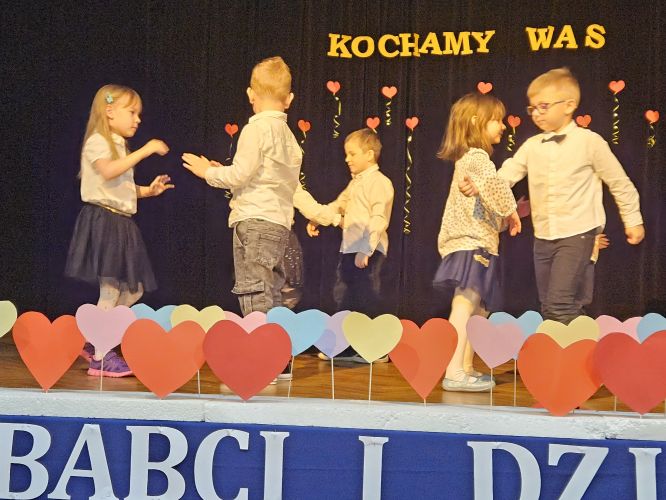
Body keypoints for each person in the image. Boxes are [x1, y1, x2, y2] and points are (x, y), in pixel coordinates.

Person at [460, 68, 645, 324]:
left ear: (569, 105)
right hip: (544, 236)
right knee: (550, 306)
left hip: (578, 233)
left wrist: (633, 220)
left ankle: (573, 349)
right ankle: (578, 344)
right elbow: (507, 174)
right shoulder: (532, 146)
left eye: (544, 106)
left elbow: (619, 183)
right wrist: (480, 185)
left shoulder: (589, 142)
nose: (536, 113)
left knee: (560, 304)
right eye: (532, 108)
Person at [182, 56, 301, 380]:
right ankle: (279, 358)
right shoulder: (289, 138)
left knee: (254, 289)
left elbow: (240, 175)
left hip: (254, 220)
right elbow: (275, 181)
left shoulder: (256, 129)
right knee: (273, 291)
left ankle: (262, 359)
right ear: (289, 99)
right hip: (280, 224)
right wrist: (223, 170)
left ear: (251, 94)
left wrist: (209, 172)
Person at [65, 84, 173, 377]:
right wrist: (146, 150)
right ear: (110, 111)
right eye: (132, 112)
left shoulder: (118, 145)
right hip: (104, 221)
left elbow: (118, 186)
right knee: (111, 288)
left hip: (121, 222)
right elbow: (108, 171)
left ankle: (95, 337)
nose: (138, 119)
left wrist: (147, 191)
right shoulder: (98, 141)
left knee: (134, 289)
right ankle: (101, 355)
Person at [434, 93, 521, 392]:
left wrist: (508, 215)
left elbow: (486, 200)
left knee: (479, 309)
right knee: (466, 302)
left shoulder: (470, 161)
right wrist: (511, 212)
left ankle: (466, 366)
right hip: (471, 243)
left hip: (479, 242)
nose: (503, 126)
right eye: (497, 120)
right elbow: (497, 188)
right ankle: (454, 370)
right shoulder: (477, 158)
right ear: (476, 122)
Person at [306, 128, 394, 363]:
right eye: (346, 154)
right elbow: (338, 204)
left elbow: (379, 218)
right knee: (345, 296)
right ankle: (346, 347)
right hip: (350, 249)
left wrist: (366, 249)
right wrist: (318, 219)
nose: (347, 159)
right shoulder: (355, 184)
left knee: (367, 296)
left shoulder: (379, 182)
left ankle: (377, 349)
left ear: (370, 154)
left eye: (352, 154)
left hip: (368, 250)